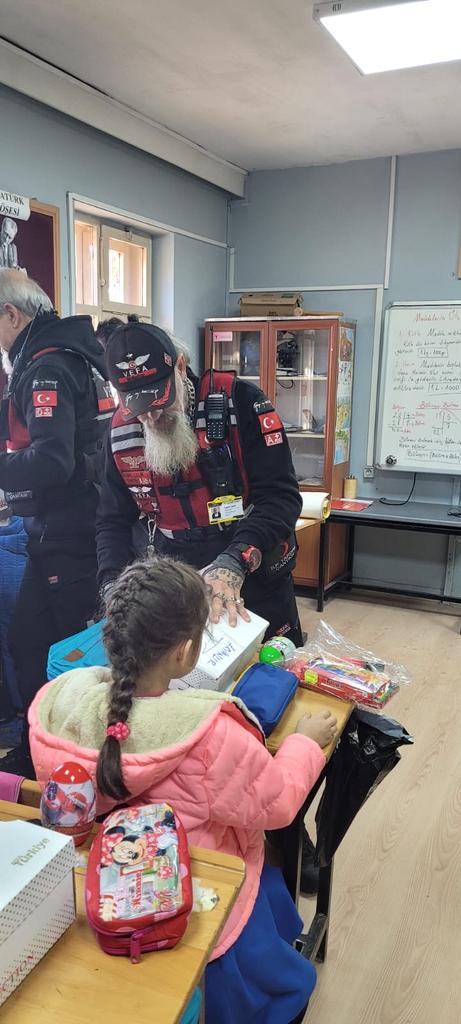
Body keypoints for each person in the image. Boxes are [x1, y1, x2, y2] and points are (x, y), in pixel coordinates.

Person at [28, 558, 337, 1024]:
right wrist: (302, 744)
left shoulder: (61, 704)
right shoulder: (209, 734)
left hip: (101, 895)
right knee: (275, 971)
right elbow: (277, 803)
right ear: (186, 652)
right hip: (199, 896)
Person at [97, 320, 303, 643]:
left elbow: (281, 499)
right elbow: (111, 521)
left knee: (273, 680)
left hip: (254, 573)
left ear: (180, 367)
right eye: (138, 407)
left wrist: (235, 561)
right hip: (177, 590)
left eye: (160, 400)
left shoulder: (242, 402)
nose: (151, 417)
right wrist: (111, 586)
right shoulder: (119, 435)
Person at [0, 269, 115, 756]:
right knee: (32, 646)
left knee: (72, 655)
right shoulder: (76, 355)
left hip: (70, 533)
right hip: (77, 525)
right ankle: (39, 747)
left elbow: (51, 460)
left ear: (10, 314)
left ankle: (77, 755)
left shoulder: (45, 367)